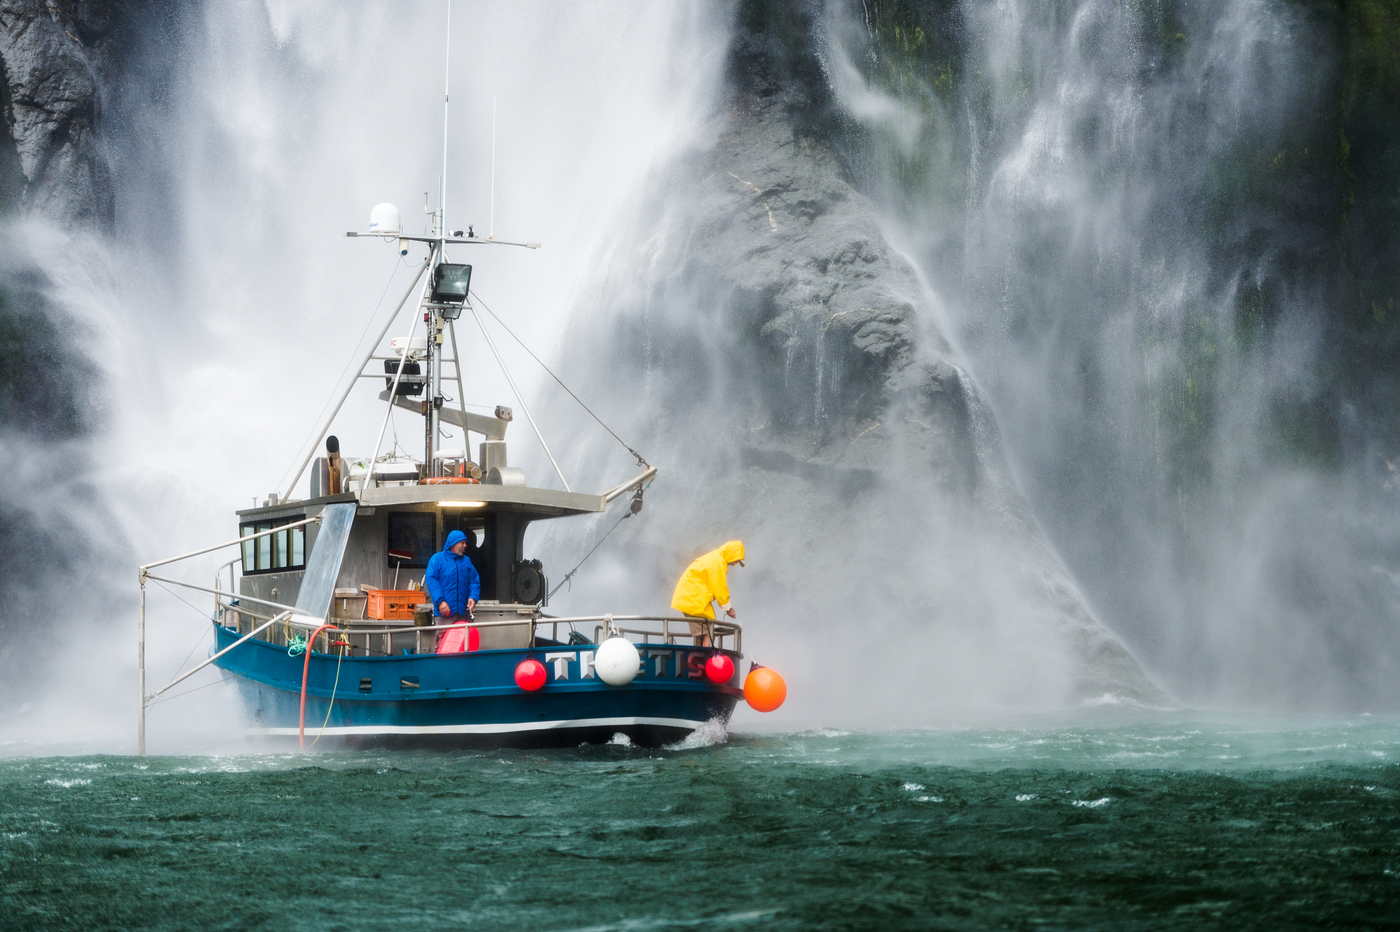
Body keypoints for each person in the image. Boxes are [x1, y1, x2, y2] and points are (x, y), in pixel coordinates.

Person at [670, 540, 745, 647]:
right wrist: (729, 608)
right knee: (707, 633)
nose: (734, 564)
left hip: (692, 598)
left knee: (703, 633)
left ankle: (698, 659)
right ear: (732, 555)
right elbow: (719, 587)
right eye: (736, 561)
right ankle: (704, 660)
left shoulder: (715, 558)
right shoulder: (718, 562)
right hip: (693, 599)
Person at [426, 529, 481, 652]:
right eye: (462, 543)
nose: (465, 546)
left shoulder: (466, 561)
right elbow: (431, 580)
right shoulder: (437, 559)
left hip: (464, 614)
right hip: (445, 615)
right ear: (453, 543)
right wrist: (440, 602)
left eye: (465, 543)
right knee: (441, 647)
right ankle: (441, 669)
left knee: (466, 647)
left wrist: (473, 597)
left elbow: (474, 580)